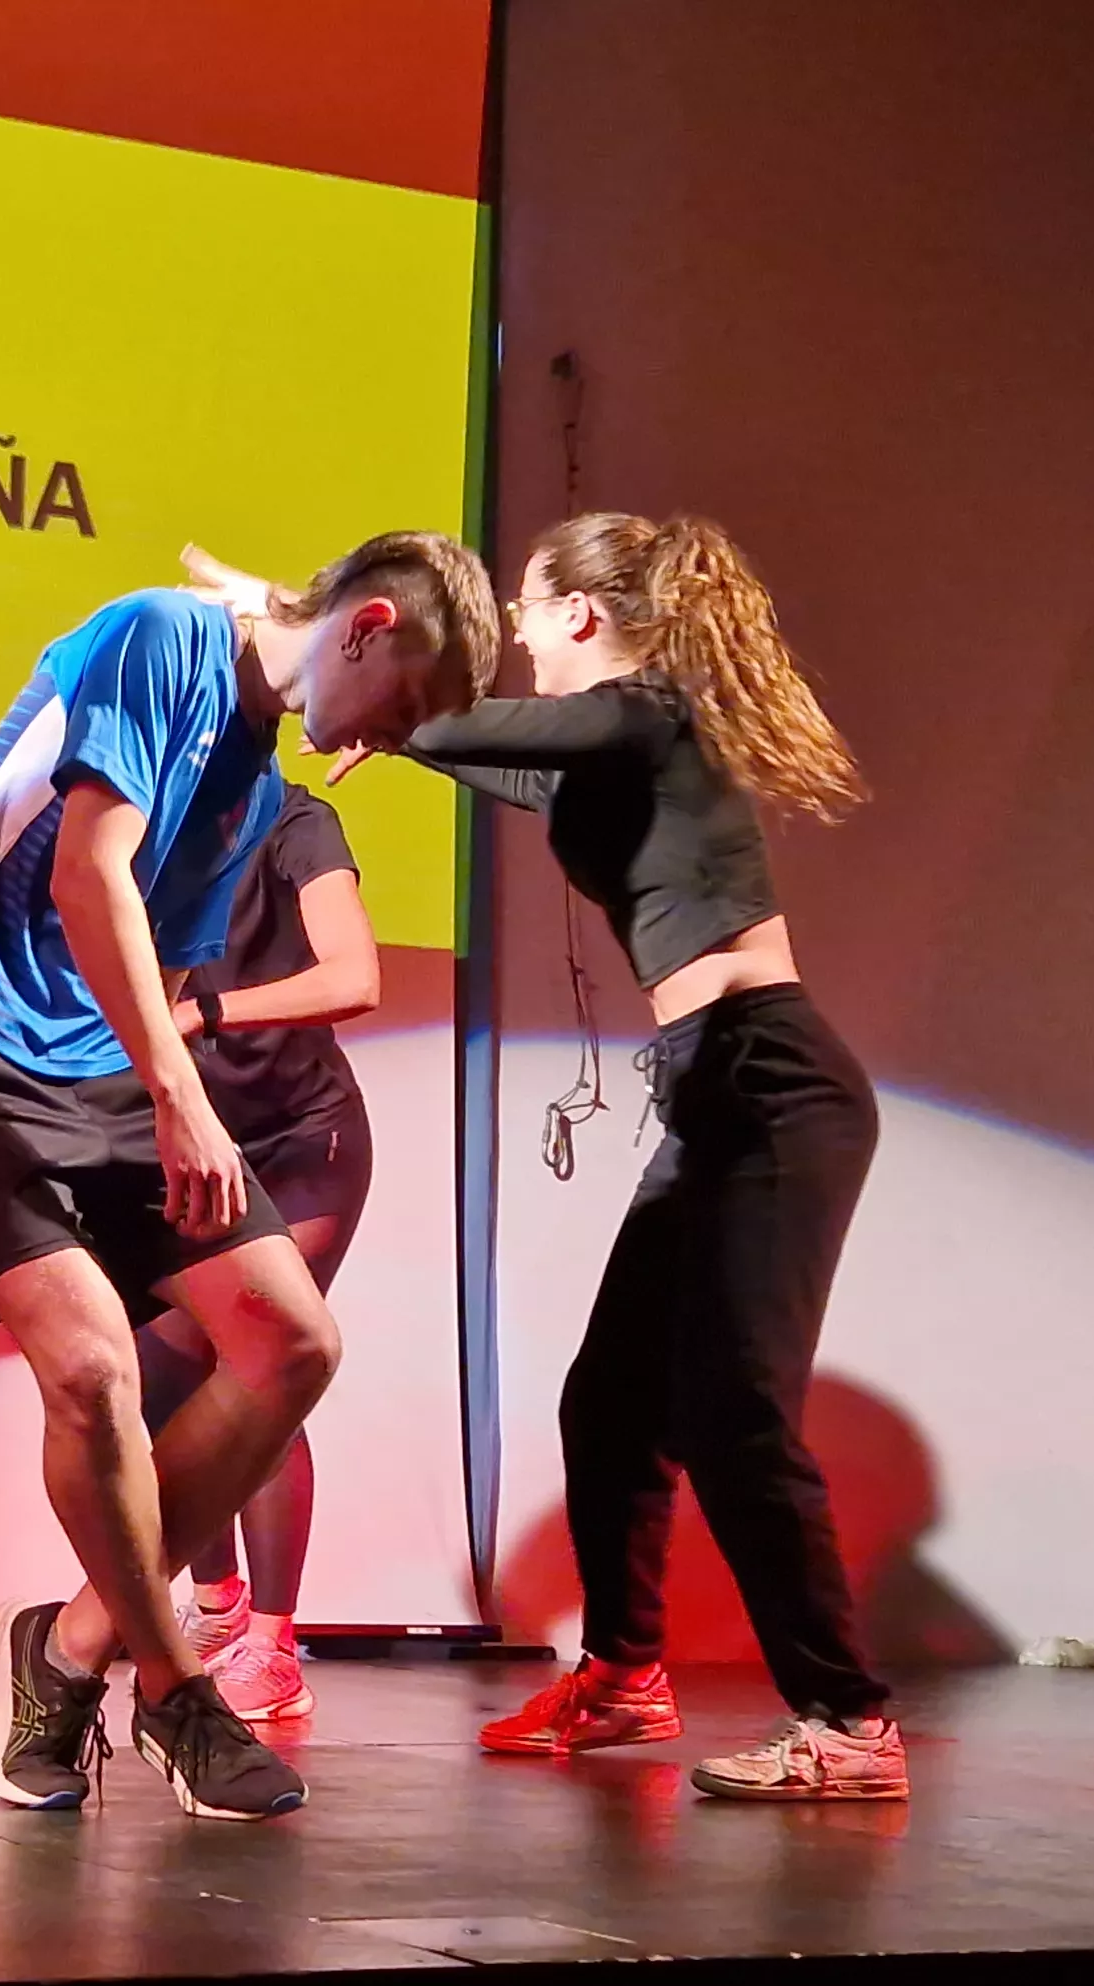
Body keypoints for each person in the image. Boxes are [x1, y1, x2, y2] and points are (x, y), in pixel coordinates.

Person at [0, 534, 495, 1821]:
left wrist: (160, 1089)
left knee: (291, 1343)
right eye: (395, 704)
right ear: (366, 625)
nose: (372, 743)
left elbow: (154, 967)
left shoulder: (255, 773)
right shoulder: (160, 631)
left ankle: (63, 1645)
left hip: (105, 1069)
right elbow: (84, 867)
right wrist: (179, 1097)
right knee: (96, 1369)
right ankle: (172, 1689)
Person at [318, 512, 900, 1803]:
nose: (516, 635)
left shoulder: (650, 712)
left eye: (525, 610)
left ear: (579, 615)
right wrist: (381, 714)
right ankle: (627, 1676)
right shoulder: (617, 750)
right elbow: (512, 766)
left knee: (734, 1414)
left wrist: (363, 679)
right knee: (613, 1401)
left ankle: (851, 1724)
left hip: (769, 1079)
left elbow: (508, 739)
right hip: (717, 1087)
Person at [148, 779, 380, 1722]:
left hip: (300, 1140)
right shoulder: (128, 825)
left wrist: (203, 1008)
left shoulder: (293, 818)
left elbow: (353, 979)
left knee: (262, 1362)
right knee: (160, 1377)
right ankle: (218, 1604)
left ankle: (276, 1645)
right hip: (192, 1140)